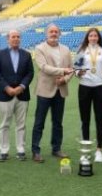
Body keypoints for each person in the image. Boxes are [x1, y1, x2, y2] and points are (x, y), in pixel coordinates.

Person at [31, 24, 74, 163]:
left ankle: (56, 148)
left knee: (58, 122)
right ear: (46, 33)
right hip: (44, 90)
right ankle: (36, 151)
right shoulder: (39, 48)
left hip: (60, 90)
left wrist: (65, 79)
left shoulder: (66, 49)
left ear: (60, 34)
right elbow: (43, 67)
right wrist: (63, 71)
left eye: (56, 31)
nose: (54, 33)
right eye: (51, 31)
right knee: (39, 122)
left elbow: (71, 69)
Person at [0, 30, 34, 162]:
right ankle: (4, 150)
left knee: (21, 124)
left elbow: (30, 73)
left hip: (22, 94)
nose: (16, 39)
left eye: (18, 37)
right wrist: (7, 87)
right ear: (8, 39)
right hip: (5, 95)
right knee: (5, 124)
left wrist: (21, 87)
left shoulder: (27, 55)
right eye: (13, 37)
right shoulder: (0, 54)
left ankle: (20, 149)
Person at [75, 28, 102, 163]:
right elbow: (76, 70)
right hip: (84, 87)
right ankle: (85, 151)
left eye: (95, 35)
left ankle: (99, 150)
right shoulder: (81, 51)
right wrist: (80, 73)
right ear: (87, 38)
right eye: (91, 35)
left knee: (99, 120)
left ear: (98, 37)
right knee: (85, 121)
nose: (93, 38)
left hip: (100, 88)